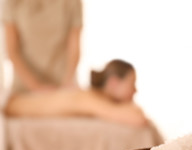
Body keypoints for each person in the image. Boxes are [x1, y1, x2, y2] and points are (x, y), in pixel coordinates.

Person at [5, 59, 148, 127]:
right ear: (113, 82)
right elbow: (137, 118)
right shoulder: (89, 98)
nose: (135, 91)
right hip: (7, 105)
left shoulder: (90, 96)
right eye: (132, 84)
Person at [2, 0, 82, 92]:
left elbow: (74, 48)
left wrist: (67, 83)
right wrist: (37, 88)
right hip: (24, 88)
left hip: (63, 86)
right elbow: (12, 51)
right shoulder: (13, 2)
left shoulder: (72, 2)